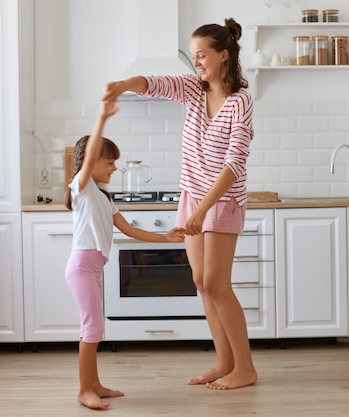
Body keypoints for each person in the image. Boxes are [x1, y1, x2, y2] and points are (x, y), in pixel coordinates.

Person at [102, 17, 256, 390]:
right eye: (193, 56)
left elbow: (235, 164)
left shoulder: (241, 103)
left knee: (218, 284)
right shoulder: (191, 89)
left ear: (223, 55)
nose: (197, 62)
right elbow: (154, 83)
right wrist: (125, 84)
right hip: (191, 195)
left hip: (221, 202)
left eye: (202, 55)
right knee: (201, 282)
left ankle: (246, 368)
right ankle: (224, 364)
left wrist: (202, 211)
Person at [64, 100, 185, 410]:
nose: (114, 168)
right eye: (109, 162)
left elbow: (129, 230)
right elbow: (90, 156)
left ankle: (95, 384)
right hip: (82, 266)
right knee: (91, 329)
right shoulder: (83, 188)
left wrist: (166, 237)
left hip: (93, 267)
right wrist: (101, 116)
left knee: (96, 328)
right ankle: (83, 390)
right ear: (91, 164)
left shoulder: (104, 198)